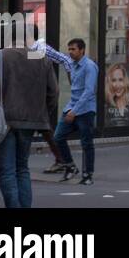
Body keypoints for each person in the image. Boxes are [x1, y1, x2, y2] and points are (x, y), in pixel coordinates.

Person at [0, 46, 59, 208]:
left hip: (3, 122)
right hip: (30, 121)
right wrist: (40, 112)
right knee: (22, 168)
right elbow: (54, 92)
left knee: (7, 171)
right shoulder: (40, 57)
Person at [42, 38, 98, 185]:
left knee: (86, 143)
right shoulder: (71, 65)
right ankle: (70, 166)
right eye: (69, 49)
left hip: (85, 110)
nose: (70, 52)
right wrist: (71, 110)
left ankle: (88, 174)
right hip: (71, 107)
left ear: (82, 50)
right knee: (58, 137)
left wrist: (75, 111)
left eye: (73, 49)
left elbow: (89, 91)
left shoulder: (89, 66)